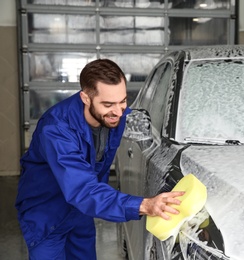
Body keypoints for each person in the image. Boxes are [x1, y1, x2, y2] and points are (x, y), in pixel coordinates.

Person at [15, 59, 184, 259]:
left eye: (123, 101)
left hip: (81, 212)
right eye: (108, 104)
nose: (119, 111)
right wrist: (144, 205)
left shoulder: (116, 115)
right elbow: (82, 189)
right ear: (85, 98)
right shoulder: (57, 130)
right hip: (47, 214)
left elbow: (143, 126)